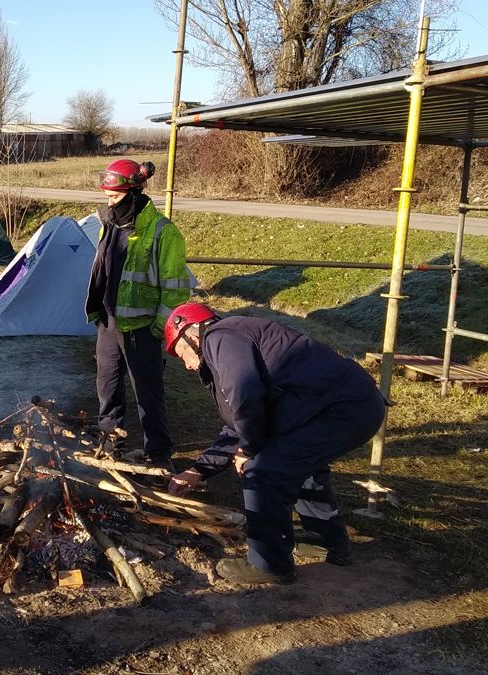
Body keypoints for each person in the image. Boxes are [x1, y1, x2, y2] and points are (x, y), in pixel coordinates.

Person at [162, 302, 386, 585]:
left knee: (263, 469)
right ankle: (326, 542)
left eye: (180, 353)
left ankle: (269, 562)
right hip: (350, 406)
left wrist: (249, 450)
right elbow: (237, 422)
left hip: (344, 410)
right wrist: (199, 471)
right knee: (298, 464)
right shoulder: (231, 338)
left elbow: (246, 398)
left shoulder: (220, 338)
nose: (185, 364)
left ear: (191, 335)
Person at [84, 159, 191, 473]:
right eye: (107, 197)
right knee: (107, 384)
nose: (109, 203)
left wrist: (161, 328)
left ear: (133, 194)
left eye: (114, 197)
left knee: (148, 390)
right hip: (108, 320)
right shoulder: (110, 224)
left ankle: (158, 452)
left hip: (143, 327)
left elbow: (175, 288)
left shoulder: (163, 232)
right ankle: (109, 442)